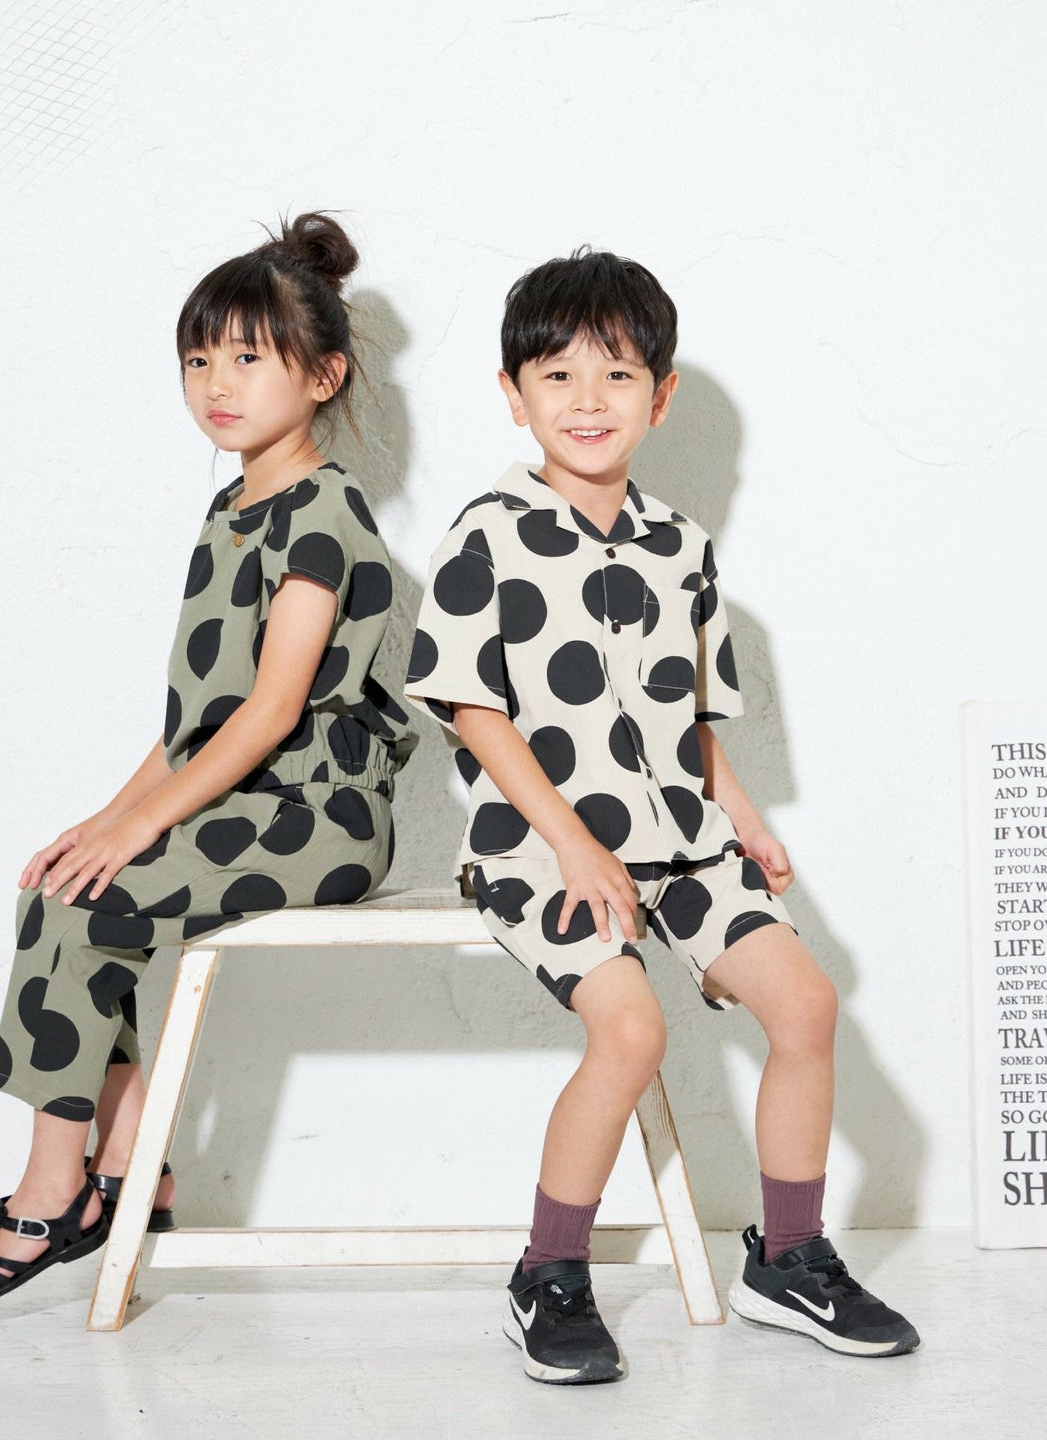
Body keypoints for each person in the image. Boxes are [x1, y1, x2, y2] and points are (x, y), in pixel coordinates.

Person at [403, 248, 918, 1380]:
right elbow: (473, 711)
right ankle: (548, 1275)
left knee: (807, 1004)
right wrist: (576, 845)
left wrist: (747, 820)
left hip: (686, 843)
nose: (587, 400)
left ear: (661, 395)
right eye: (557, 375)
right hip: (542, 848)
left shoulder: (681, 547)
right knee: (633, 1031)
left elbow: (687, 719)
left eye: (618, 375)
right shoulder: (486, 534)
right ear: (513, 394)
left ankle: (788, 1259)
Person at [0, 212, 417, 1306]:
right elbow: (195, 722)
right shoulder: (230, 509)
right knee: (65, 888)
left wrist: (140, 828)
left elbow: (271, 713)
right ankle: (129, 1174)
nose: (216, 384)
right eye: (199, 359)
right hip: (242, 795)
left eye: (247, 357)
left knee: (91, 906)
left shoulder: (324, 511)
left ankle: (50, 1195)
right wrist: (104, 821)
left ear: (325, 375)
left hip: (318, 812)